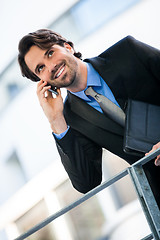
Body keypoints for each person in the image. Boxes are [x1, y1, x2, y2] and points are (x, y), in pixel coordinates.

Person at [18, 29, 160, 207]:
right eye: (40, 68)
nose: (51, 66)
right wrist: (56, 121)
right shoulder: (70, 117)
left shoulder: (127, 52)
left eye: (50, 53)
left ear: (68, 47)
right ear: (42, 81)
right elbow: (87, 182)